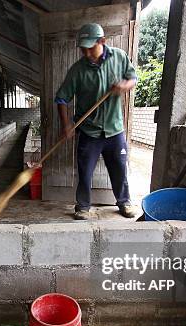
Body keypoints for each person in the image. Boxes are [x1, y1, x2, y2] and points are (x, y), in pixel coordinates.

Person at [55, 23, 138, 220]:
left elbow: (133, 78)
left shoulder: (119, 57)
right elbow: (61, 98)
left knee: (119, 168)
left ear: (102, 41)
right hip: (89, 132)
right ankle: (83, 206)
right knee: (84, 172)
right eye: (83, 48)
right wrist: (66, 124)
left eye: (90, 47)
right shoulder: (77, 70)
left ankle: (124, 202)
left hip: (114, 129)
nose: (86, 53)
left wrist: (124, 86)